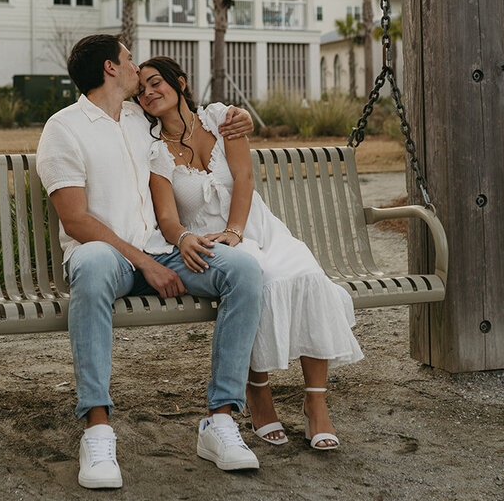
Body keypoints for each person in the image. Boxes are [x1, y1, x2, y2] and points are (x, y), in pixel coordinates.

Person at [36, 34, 264, 490]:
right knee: (96, 263)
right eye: (129, 58)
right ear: (110, 68)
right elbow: (76, 219)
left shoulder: (143, 118)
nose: (137, 67)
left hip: (164, 251)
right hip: (110, 258)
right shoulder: (63, 128)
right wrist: (145, 263)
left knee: (243, 271)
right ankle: (97, 430)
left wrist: (238, 118)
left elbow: (199, 120)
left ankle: (220, 422)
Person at [137, 56, 363, 451]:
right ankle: (258, 392)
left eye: (155, 82)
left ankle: (316, 402)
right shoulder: (155, 151)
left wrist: (235, 231)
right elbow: (168, 219)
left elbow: (243, 177)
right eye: (140, 90)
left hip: (254, 227)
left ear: (181, 83)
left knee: (308, 276)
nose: (148, 92)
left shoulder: (222, 118)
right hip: (209, 243)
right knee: (260, 280)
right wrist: (185, 239)